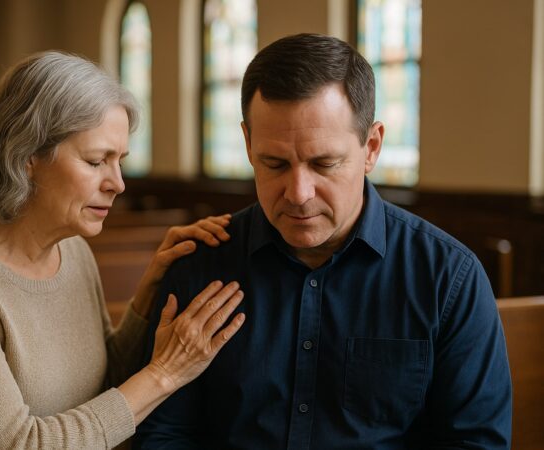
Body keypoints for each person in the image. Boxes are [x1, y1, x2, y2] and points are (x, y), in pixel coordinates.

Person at [135, 33, 512, 449]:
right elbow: (165, 435)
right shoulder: (200, 266)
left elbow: (475, 443)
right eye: (274, 163)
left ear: (371, 147)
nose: (298, 193)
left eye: (324, 163)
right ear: (247, 144)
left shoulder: (447, 277)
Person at [0, 51, 246, 449]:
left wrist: (150, 289)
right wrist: (166, 373)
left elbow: (101, 386)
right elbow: (18, 445)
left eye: (120, 162)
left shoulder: (73, 250)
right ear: (27, 157)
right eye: (97, 161)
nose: (118, 183)